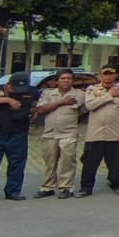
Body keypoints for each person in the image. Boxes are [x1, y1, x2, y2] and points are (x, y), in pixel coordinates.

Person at [0, 71, 40, 203]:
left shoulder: (32, 91)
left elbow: (41, 101)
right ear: (9, 85)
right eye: (15, 88)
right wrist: (8, 100)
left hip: (18, 132)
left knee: (17, 164)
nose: (19, 91)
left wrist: (36, 110)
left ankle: (13, 191)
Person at [34, 70, 86, 198]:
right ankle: (48, 187)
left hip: (68, 132)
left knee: (67, 161)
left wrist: (54, 105)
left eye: (69, 78)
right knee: (49, 162)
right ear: (57, 81)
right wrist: (60, 102)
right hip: (50, 133)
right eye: (63, 78)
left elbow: (78, 107)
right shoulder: (48, 93)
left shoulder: (79, 94)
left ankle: (66, 187)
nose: (66, 80)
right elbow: (40, 109)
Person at [80, 67, 119, 197]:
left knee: (116, 163)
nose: (108, 77)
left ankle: (117, 184)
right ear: (100, 76)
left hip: (115, 133)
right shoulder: (92, 89)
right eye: (105, 74)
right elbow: (90, 105)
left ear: (116, 76)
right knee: (90, 163)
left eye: (111, 75)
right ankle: (86, 188)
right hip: (95, 133)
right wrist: (109, 96)